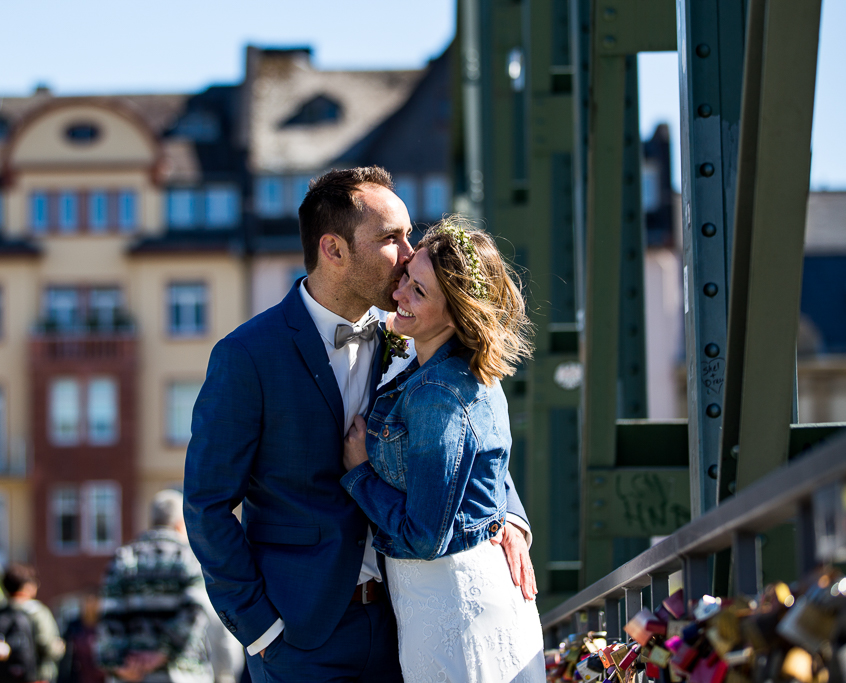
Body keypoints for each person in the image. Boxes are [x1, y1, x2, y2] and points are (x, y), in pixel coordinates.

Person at [184, 166, 536, 683]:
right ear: (334, 249)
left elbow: (468, 426)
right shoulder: (248, 356)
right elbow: (207, 503)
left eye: (409, 234)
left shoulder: (412, 332)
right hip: (301, 638)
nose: (410, 252)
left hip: (407, 619)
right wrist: (260, 630)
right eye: (392, 238)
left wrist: (507, 514)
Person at [341, 218, 545, 682]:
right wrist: (506, 516)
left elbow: (425, 534)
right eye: (407, 280)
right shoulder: (445, 367)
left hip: (450, 599)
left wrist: (358, 474)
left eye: (419, 292)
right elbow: (478, 469)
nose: (398, 295)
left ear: (456, 314)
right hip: (439, 594)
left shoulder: (439, 392)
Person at [95, 489, 243, 683]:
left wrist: (119, 663)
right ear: (181, 524)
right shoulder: (189, 558)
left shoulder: (123, 558)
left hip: (132, 676)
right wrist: (163, 652)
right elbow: (195, 612)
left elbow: (109, 616)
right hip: (182, 673)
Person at [0, 564, 65, 683]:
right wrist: (59, 647)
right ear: (28, 586)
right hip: (33, 677)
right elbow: (47, 646)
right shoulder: (38, 612)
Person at [55, 590, 103, 683]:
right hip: (77, 677)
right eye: (88, 601)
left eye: (94, 601)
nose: (91, 606)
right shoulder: (73, 627)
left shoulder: (106, 626)